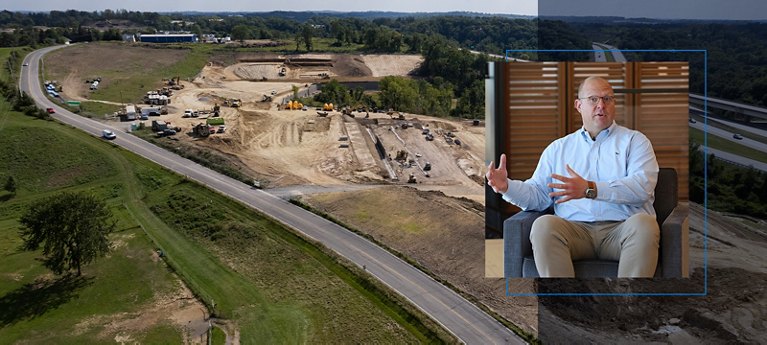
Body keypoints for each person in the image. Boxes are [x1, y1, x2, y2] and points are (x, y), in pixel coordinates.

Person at [486, 76, 660, 278]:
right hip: (575, 231)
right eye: (593, 99)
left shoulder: (635, 141)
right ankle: (566, 304)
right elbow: (539, 196)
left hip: (622, 230)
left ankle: (628, 306)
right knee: (543, 225)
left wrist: (590, 188)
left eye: (607, 99)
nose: (601, 105)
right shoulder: (558, 149)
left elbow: (642, 188)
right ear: (579, 105)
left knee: (645, 225)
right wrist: (507, 187)